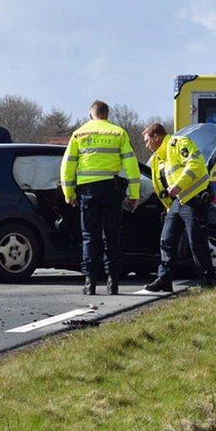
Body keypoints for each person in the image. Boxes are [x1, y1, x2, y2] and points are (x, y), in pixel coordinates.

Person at [60, 100, 140, 295]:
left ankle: (90, 283)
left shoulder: (79, 134)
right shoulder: (118, 133)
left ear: (91, 115)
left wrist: (68, 193)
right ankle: (113, 283)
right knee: (112, 236)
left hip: (88, 192)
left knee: (89, 237)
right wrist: (134, 194)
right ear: (107, 114)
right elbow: (131, 165)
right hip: (111, 191)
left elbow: (67, 166)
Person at [142, 122, 215, 293]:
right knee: (166, 240)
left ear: (156, 137)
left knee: (196, 241)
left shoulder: (178, 143)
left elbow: (195, 164)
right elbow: (160, 186)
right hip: (178, 202)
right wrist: (169, 207)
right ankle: (164, 280)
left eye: (147, 141)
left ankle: (207, 280)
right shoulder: (157, 159)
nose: (146, 145)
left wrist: (178, 186)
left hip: (194, 199)